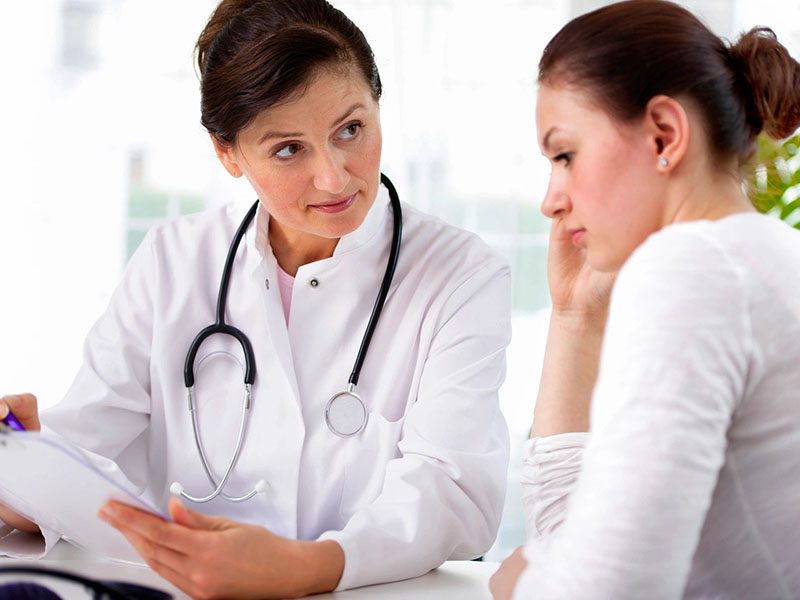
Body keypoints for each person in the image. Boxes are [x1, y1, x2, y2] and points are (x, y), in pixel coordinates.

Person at [0, 0, 512, 597]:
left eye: (351, 129)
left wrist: (304, 568)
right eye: (289, 149)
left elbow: (452, 492)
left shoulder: (460, 275)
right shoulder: (174, 261)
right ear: (228, 153)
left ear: (378, 104)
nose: (335, 177)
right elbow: (86, 443)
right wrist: (23, 476)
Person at [489, 1, 800, 598]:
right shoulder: (765, 256)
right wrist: (575, 318)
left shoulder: (693, 268)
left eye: (565, 155)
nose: (551, 200)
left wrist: (524, 585)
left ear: (665, 134)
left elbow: (608, 588)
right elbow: (576, 537)